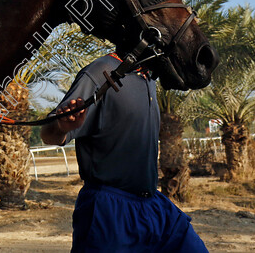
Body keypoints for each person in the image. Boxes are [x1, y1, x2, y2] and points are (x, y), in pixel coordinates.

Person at [41, 54, 207, 252]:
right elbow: (48, 134)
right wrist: (62, 126)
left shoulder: (148, 77)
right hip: (109, 210)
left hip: (154, 205)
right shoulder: (100, 72)